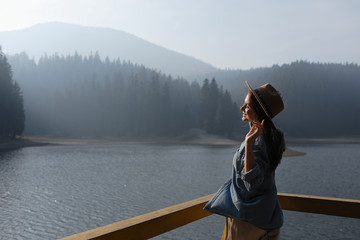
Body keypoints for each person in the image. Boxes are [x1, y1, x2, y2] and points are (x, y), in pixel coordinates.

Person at [204, 81, 285, 240]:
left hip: (247, 224)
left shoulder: (256, 142)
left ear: (259, 112)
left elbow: (251, 184)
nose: (242, 108)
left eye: (247, 106)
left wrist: (248, 144)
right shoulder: (270, 138)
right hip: (268, 219)